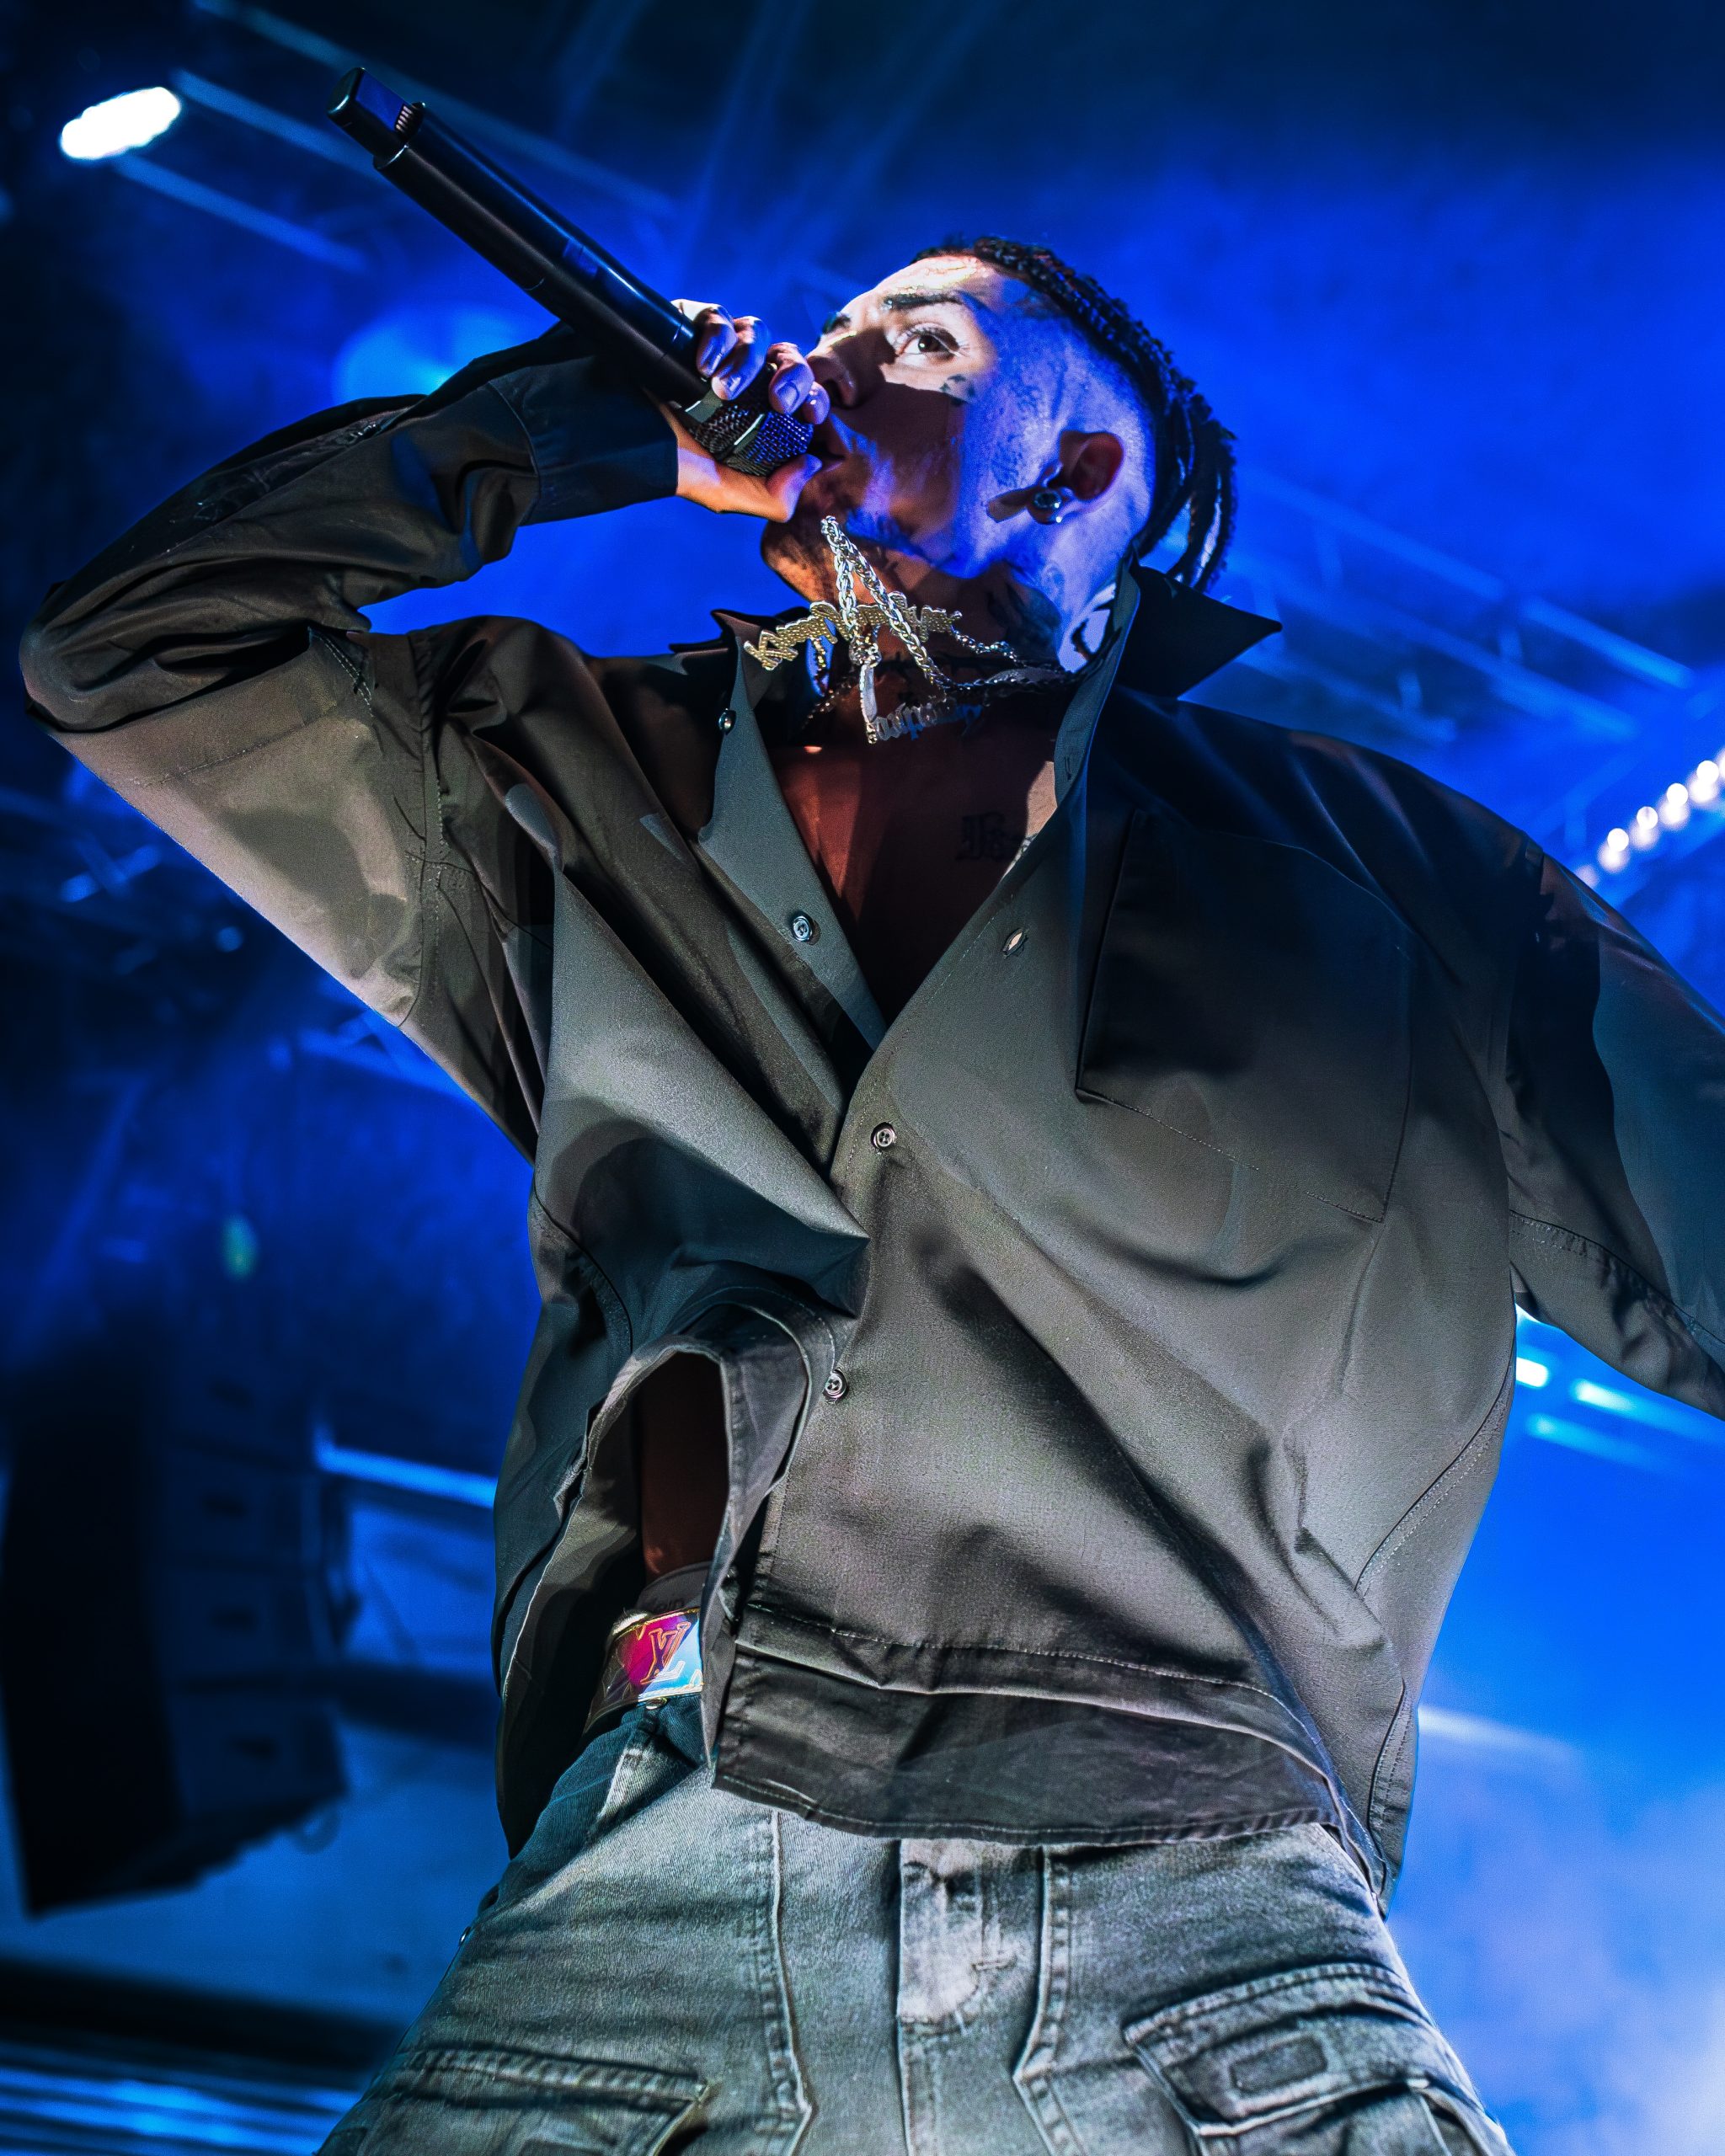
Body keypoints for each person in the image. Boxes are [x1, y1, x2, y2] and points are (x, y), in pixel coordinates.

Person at [25, 231, 1723, 2154]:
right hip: (654, 1855)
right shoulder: (568, 771)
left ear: (1076, 467)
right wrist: (574, 431)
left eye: (913, 340)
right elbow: (128, 656)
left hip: (1195, 1885)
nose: (823, 363)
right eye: (825, 331)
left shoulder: (1386, 876)